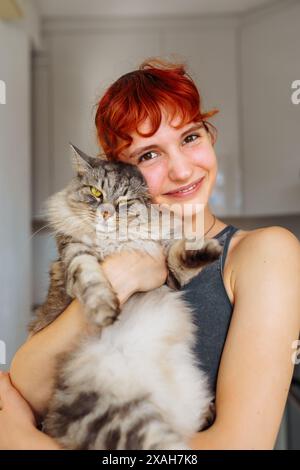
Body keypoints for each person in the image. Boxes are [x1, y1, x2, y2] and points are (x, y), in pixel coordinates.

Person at [0, 58, 299, 450]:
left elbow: (240, 444)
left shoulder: (266, 253)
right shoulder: (103, 257)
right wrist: (121, 279)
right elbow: (29, 385)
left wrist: (27, 444)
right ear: (119, 172)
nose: (180, 170)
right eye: (148, 155)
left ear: (210, 136)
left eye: (190, 137)